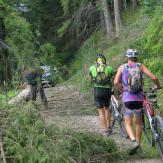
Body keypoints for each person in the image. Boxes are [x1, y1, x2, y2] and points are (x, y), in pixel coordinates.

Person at [114, 49, 161, 154]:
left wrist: (123, 90)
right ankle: (139, 146)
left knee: (128, 123)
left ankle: (134, 141)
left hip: (127, 99)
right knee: (139, 124)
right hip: (139, 99)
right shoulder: (140, 66)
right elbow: (154, 77)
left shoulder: (122, 67)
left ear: (127, 57)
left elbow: (116, 82)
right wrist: (158, 86)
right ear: (136, 57)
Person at [89, 53, 114, 135]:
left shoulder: (92, 68)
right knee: (107, 108)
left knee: (100, 111)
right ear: (104, 60)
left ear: (96, 61)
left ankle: (105, 129)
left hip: (97, 90)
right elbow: (113, 79)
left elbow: (90, 80)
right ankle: (109, 126)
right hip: (107, 90)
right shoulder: (109, 68)